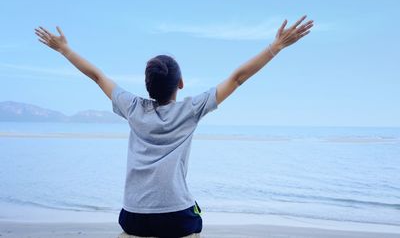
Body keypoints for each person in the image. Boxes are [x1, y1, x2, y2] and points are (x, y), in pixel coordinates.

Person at [35, 15, 313, 238]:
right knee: (194, 218)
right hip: (176, 219)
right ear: (180, 84)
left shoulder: (131, 107)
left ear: (147, 86)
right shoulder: (190, 110)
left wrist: (64, 49)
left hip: (133, 218)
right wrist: (275, 47)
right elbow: (237, 78)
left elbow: (97, 76)